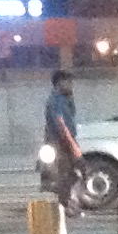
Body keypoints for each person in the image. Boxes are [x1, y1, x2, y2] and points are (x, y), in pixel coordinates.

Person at [44, 69, 82, 211]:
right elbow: (60, 125)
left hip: (64, 141)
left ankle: (65, 203)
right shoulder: (56, 101)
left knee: (72, 173)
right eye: (68, 82)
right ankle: (64, 205)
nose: (71, 85)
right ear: (59, 83)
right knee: (69, 173)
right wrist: (72, 145)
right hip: (60, 143)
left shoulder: (64, 99)